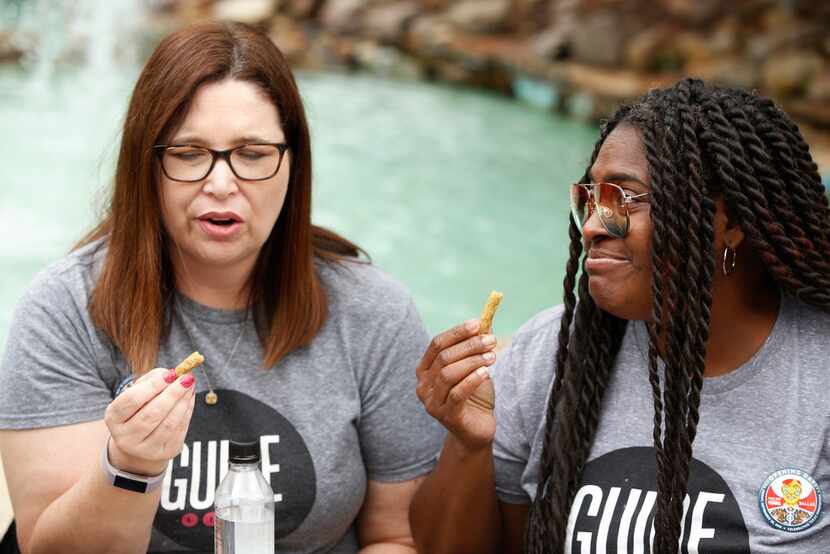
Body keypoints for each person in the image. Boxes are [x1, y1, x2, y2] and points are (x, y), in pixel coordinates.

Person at [0, 21, 443, 554]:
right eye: (188, 153)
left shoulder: (373, 311)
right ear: (148, 166)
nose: (220, 182)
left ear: (293, 163)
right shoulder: (66, 309)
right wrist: (130, 467)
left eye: (253, 153)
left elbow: (398, 536)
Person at [409, 78, 830, 553]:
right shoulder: (552, 352)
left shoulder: (818, 377)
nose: (592, 225)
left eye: (623, 199)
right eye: (590, 198)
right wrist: (468, 446)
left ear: (729, 222)